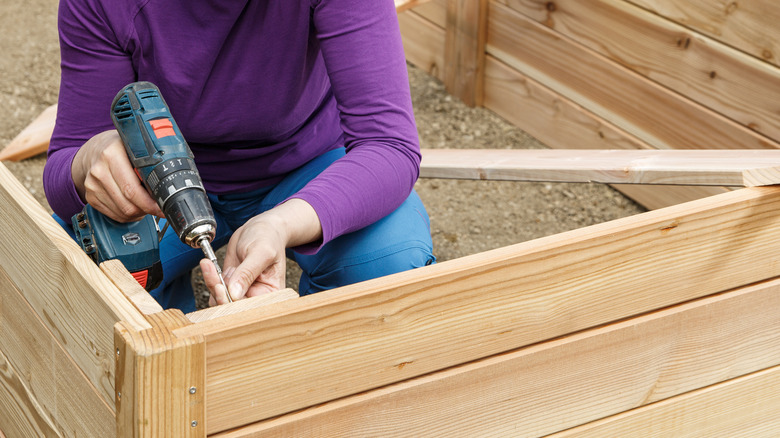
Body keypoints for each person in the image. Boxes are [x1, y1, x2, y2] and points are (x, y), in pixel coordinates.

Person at [44, 0, 436, 312]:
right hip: (161, 182)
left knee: (388, 259)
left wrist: (281, 224)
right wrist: (88, 160)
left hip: (306, 166)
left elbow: (388, 146)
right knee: (79, 277)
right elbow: (63, 172)